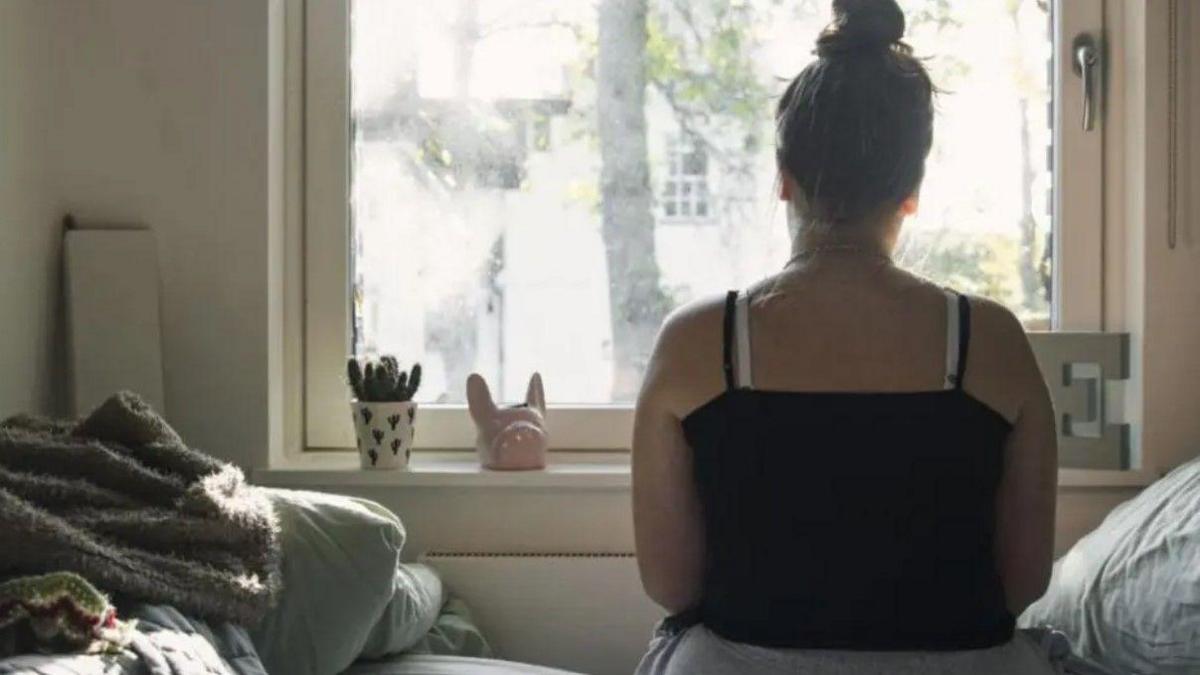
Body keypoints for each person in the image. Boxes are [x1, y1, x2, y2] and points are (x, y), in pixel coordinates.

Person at [631, 0, 1059, 672]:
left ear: (784, 179)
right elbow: (1023, 583)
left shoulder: (696, 342)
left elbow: (671, 586)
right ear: (912, 188)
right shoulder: (990, 340)